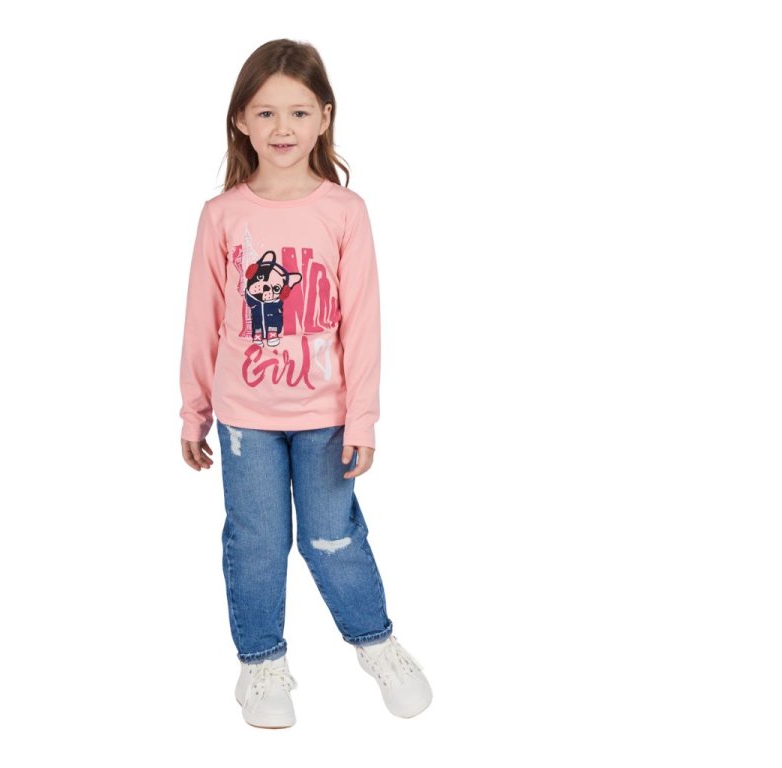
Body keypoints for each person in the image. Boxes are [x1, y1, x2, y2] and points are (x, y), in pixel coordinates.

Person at [178, 38, 432, 729]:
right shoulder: (222, 214)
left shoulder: (344, 211)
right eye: (265, 113)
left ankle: (376, 643)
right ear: (241, 120)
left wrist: (363, 418)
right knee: (257, 542)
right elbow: (202, 319)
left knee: (331, 537)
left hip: (327, 415)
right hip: (245, 418)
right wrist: (193, 412)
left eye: (297, 112)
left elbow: (362, 322)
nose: (282, 128)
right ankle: (261, 665)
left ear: (324, 117)